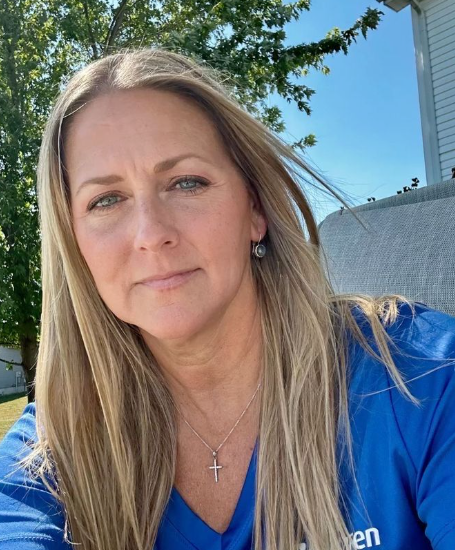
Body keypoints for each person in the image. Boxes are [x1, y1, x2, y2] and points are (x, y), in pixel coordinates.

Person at [0, 48, 454, 550]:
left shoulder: (422, 375)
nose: (150, 234)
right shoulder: (54, 444)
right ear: (73, 242)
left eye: (186, 183)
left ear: (254, 210)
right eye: (105, 200)